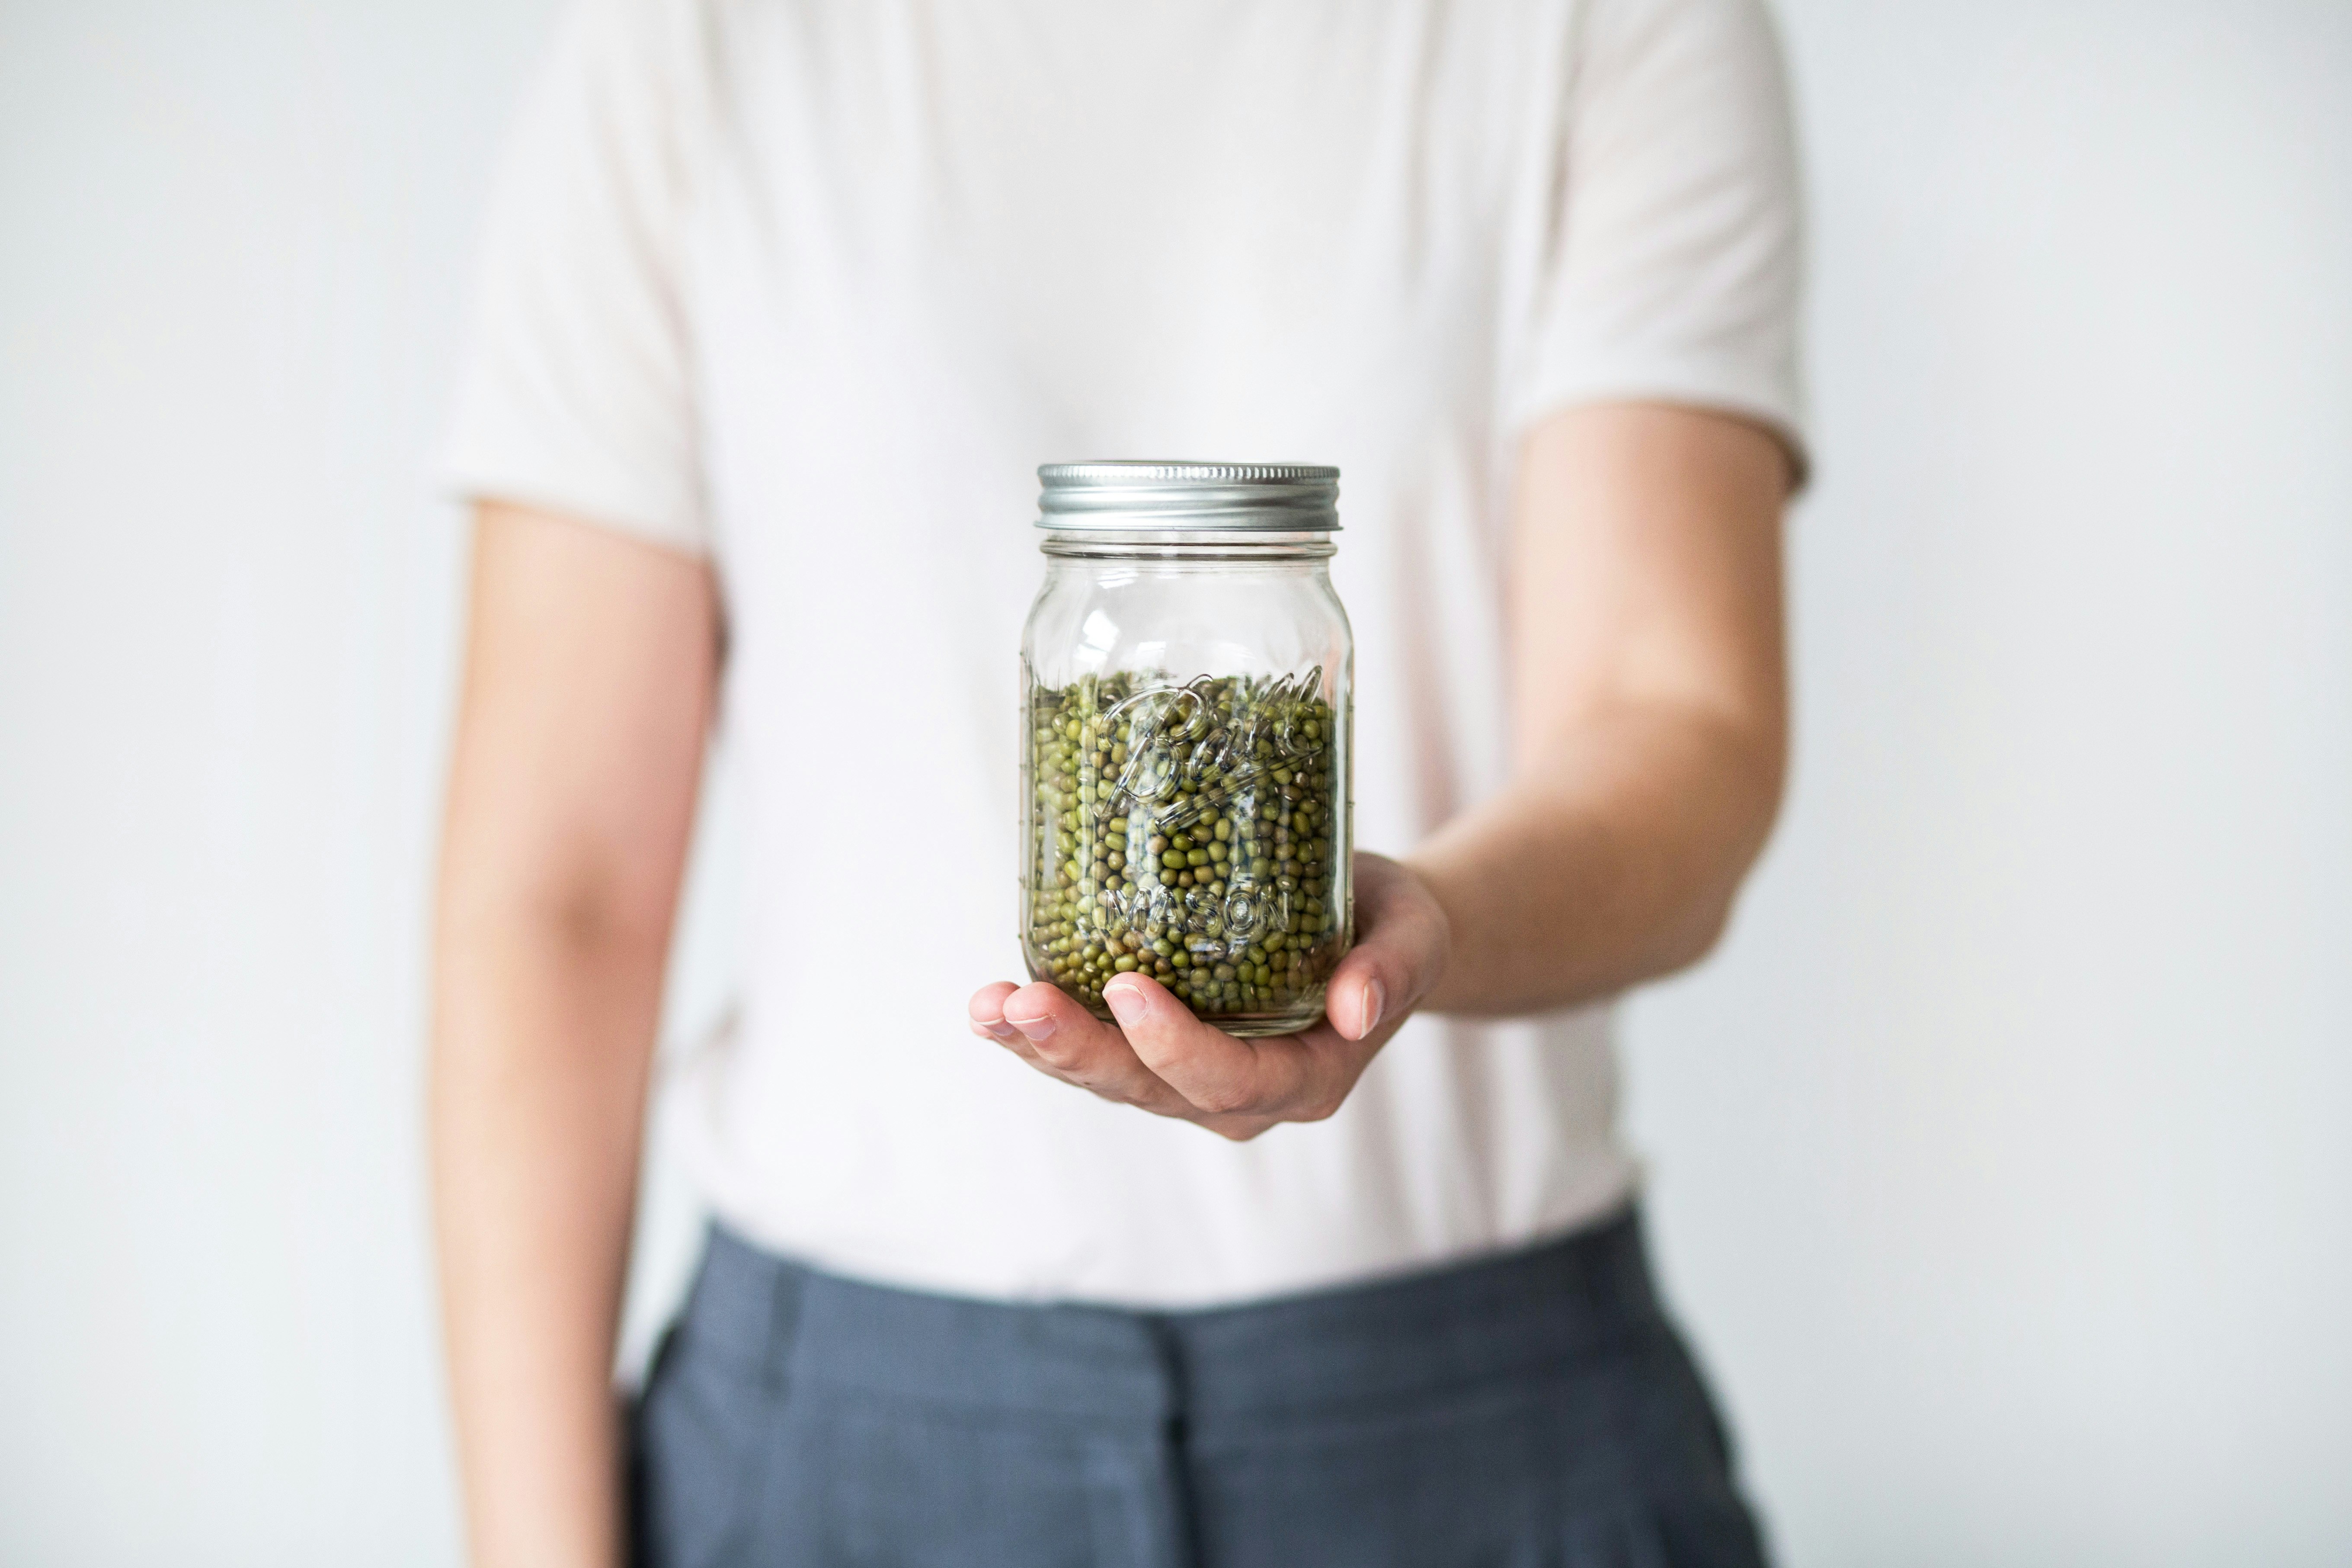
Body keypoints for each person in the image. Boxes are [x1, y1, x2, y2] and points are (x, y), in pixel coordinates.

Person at [430, 0, 1805, 1562]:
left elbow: (1675, 720)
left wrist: (1433, 925)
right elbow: (562, 889)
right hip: (843, 1433)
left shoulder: (1610, 27)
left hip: (1477, 1421)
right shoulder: (690, 46)